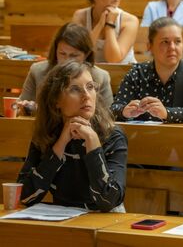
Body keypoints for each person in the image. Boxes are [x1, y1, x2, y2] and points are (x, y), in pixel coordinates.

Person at [17, 61, 128, 212]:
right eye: (75, 89)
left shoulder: (112, 135)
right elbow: (25, 197)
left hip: (105, 221)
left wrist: (93, 143)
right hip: (62, 220)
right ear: (56, 100)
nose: (86, 96)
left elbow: (109, 201)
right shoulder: (47, 133)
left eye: (90, 87)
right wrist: (60, 144)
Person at [111, 17, 183, 123]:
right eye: (165, 42)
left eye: (177, 41)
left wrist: (166, 113)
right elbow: (113, 109)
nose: (172, 47)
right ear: (150, 46)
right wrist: (124, 111)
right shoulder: (137, 73)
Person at [18, 23, 113, 114]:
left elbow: (108, 115)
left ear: (87, 55)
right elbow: (19, 108)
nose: (67, 60)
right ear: (55, 51)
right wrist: (26, 107)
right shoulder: (37, 71)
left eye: (74, 55)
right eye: (62, 53)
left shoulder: (101, 76)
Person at [73, 0, 138, 63]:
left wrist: (109, 25)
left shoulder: (130, 20)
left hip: (123, 73)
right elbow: (79, 53)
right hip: (91, 73)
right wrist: (100, 25)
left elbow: (113, 60)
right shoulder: (80, 16)